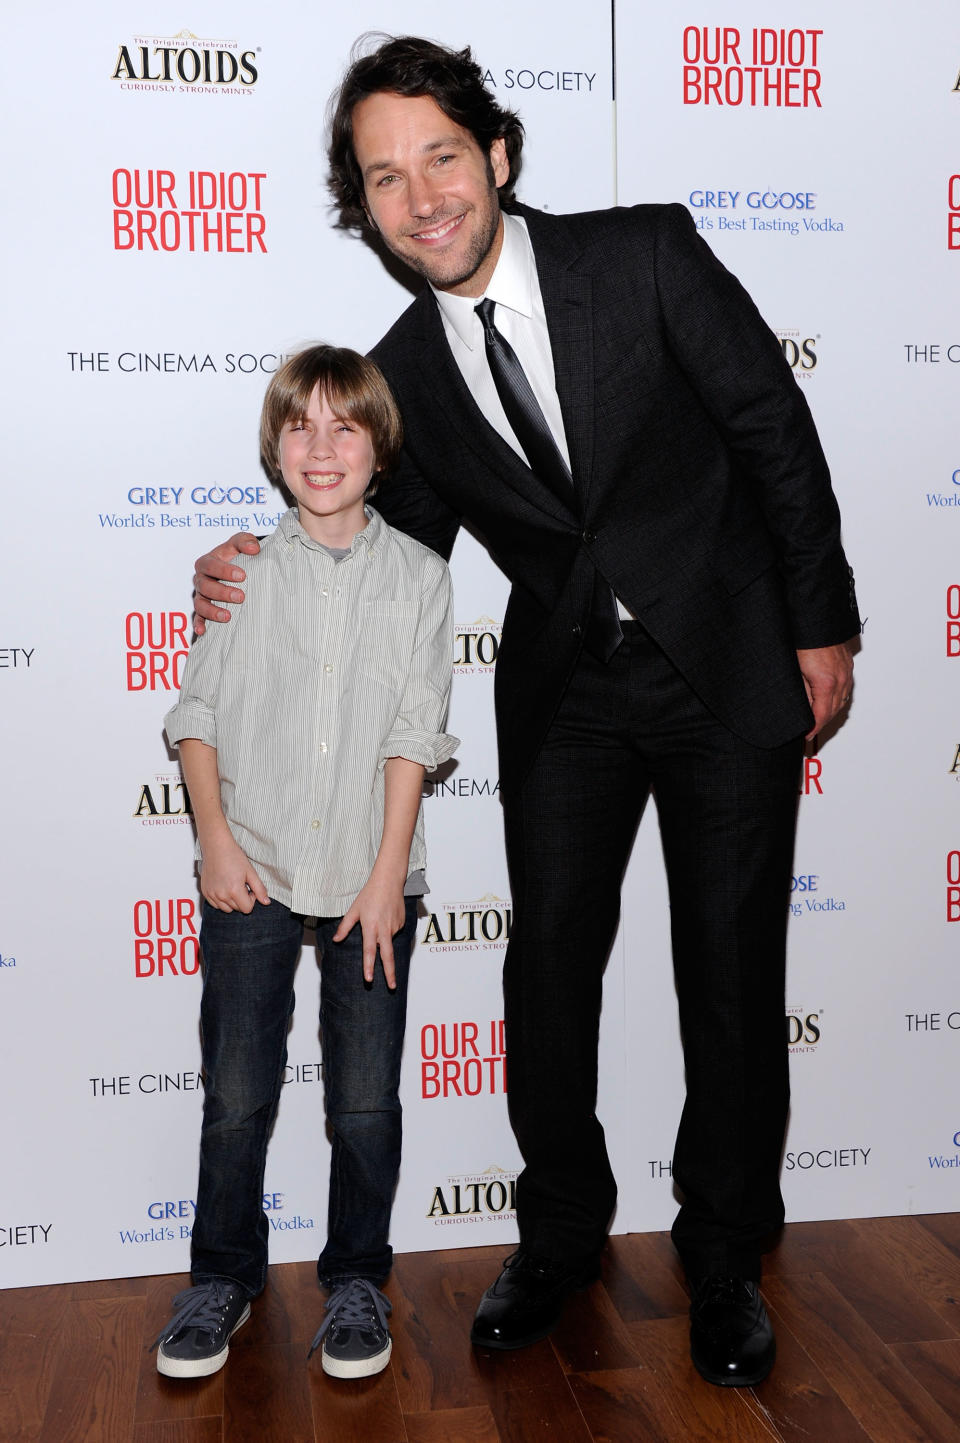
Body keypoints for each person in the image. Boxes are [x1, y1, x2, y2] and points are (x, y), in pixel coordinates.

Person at [192, 36, 859, 1387]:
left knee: (729, 976)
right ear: (364, 207)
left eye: (441, 155)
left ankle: (724, 1254)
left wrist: (821, 619)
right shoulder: (401, 376)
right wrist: (252, 559)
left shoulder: (642, 253)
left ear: (495, 154)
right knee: (545, 970)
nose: (421, 193)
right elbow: (391, 541)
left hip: (727, 665)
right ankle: (556, 1234)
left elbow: (770, 426)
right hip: (568, 696)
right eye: (385, 176)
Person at [157, 344, 456, 1381]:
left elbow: (416, 733)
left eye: (345, 427)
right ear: (273, 447)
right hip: (255, 871)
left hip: (373, 881)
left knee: (366, 1097)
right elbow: (196, 717)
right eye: (300, 426)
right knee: (236, 1091)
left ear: (380, 449)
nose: (321, 448)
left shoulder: (423, 577)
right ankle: (222, 1277)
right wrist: (217, 845)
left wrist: (386, 876)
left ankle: (357, 1279)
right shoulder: (240, 568)